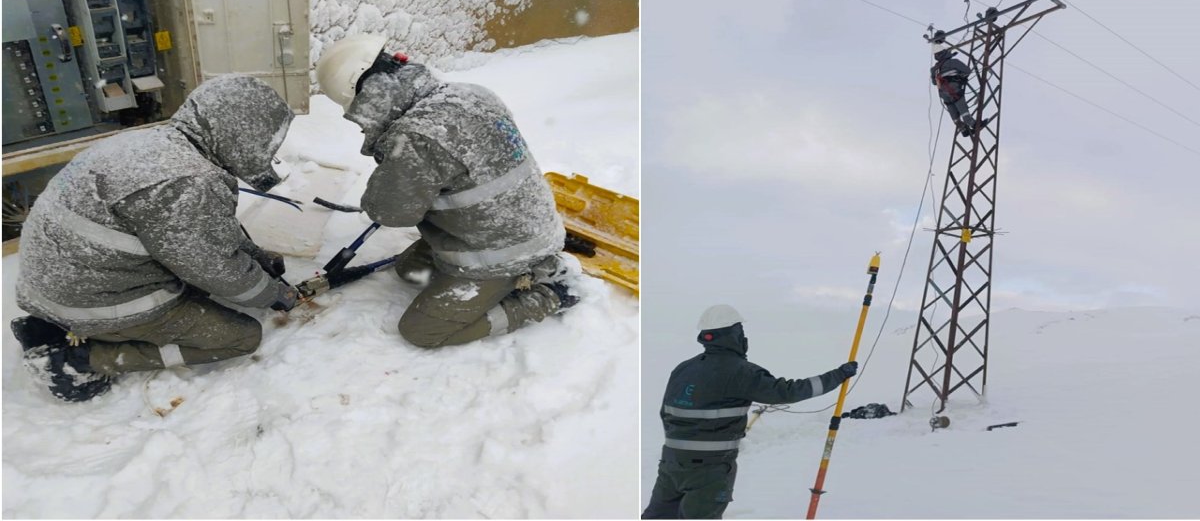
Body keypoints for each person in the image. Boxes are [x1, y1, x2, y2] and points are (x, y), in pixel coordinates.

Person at [10, 75, 299, 402]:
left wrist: (255, 256)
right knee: (240, 337)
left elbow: (205, 233)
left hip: (51, 283)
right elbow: (213, 268)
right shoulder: (190, 182)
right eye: (264, 141)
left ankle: (51, 327)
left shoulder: (154, 146)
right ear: (241, 135)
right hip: (92, 302)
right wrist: (271, 293)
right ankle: (77, 361)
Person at [314, 34, 577, 350]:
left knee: (421, 331)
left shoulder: (416, 137)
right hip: (525, 223)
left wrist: (391, 161)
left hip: (500, 252)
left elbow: (390, 212)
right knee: (410, 270)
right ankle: (524, 267)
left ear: (367, 98)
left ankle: (548, 294)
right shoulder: (469, 94)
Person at [642, 304, 859, 519]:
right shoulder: (741, 372)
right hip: (708, 469)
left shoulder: (683, 369)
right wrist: (838, 375)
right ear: (734, 335)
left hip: (671, 464)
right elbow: (788, 392)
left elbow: (665, 413)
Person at [930, 43, 981, 137]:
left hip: (943, 93)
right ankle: (974, 124)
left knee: (952, 110)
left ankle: (963, 130)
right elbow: (967, 71)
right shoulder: (953, 62)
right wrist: (960, 76)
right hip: (953, 89)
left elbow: (934, 82)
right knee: (962, 108)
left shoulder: (934, 69)